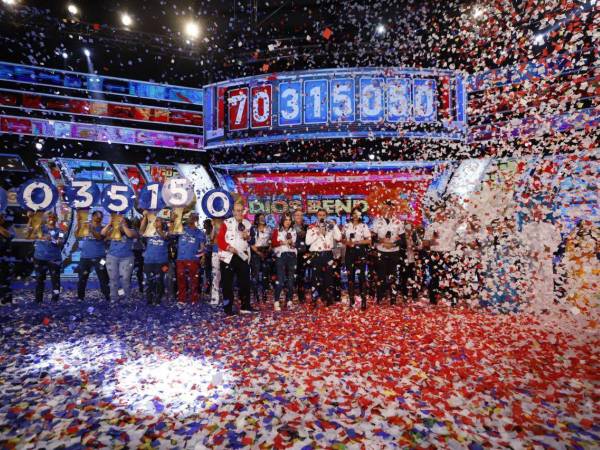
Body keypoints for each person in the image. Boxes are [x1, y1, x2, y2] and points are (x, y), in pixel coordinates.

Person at [217, 202, 253, 315]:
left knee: (245, 282)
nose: (239, 212)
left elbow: (253, 241)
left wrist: (248, 237)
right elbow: (220, 240)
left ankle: (245, 306)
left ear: (243, 211)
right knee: (227, 283)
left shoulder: (248, 224)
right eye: (237, 210)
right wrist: (228, 247)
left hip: (242, 256)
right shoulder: (226, 223)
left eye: (241, 210)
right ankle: (228, 309)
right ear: (233, 212)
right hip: (228, 256)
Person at [422, 207, 459, 305]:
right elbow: (424, 243)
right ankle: (433, 299)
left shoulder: (451, 224)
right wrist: (431, 241)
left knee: (450, 277)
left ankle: (452, 300)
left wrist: (456, 205)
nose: (441, 215)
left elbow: (463, 217)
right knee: (435, 278)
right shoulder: (431, 226)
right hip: (436, 254)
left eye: (443, 212)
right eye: (439, 213)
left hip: (449, 254)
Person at [306, 208, 342, 307]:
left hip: (328, 254)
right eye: (319, 215)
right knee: (315, 277)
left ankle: (328, 298)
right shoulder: (312, 226)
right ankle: (315, 298)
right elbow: (307, 242)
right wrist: (318, 233)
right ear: (317, 216)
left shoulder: (331, 225)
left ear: (326, 216)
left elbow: (339, 238)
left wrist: (334, 226)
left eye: (323, 215)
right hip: (316, 254)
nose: (321, 217)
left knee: (328, 277)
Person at [371, 202, 405, 305]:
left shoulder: (398, 222)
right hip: (381, 251)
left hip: (394, 252)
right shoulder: (377, 222)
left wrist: (393, 244)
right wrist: (382, 241)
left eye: (388, 208)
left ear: (392, 210)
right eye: (384, 208)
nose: (386, 210)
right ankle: (380, 296)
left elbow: (403, 240)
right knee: (381, 275)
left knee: (393, 275)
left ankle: (393, 298)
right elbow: (373, 237)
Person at [28, 211, 64, 303]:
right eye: (49, 217)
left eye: (53, 217)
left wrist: (52, 239)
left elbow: (60, 243)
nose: (51, 218)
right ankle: (38, 300)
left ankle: (55, 301)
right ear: (46, 218)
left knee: (55, 281)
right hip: (39, 258)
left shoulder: (60, 231)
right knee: (39, 280)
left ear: (56, 219)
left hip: (54, 259)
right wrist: (31, 219)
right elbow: (30, 236)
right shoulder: (40, 228)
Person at [76, 210, 110, 302]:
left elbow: (99, 237)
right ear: (92, 216)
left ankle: (107, 297)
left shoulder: (104, 228)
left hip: (101, 258)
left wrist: (91, 229)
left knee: (103, 277)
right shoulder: (85, 227)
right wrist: (79, 223)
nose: (99, 217)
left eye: (101, 216)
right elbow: (77, 234)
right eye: (97, 216)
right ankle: (80, 297)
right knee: (82, 278)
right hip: (85, 257)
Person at [102, 216, 138, 303]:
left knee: (125, 278)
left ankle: (127, 298)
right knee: (113, 279)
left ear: (127, 224)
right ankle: (114, 298)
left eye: (123, 222)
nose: (120, 223)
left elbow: (130, 235)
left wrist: (123, 225)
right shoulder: (113, 231)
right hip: (112, 257)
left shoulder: (132, 231)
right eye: (119, 222)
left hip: (127, 258)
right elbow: (103, 233)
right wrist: (110, 223)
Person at [342, 207, 371, 309]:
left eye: (358, 214)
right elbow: (342, 239)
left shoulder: (364, 226)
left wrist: (357, 242)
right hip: (349, 253)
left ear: (361, 215)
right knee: (350, 277)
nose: (355, 215)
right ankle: (351, 300)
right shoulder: (346, 226)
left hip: (361, 252)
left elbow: (368, 241)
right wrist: (348, 242)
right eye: (354, 213)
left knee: (362, 276)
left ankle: (363, 301)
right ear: (351, 214)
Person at [140, 212, 171, 305]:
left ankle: (158, 299)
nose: (155, 222)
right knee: (148, 281)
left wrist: (157, 229)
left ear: (162, 223)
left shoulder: (167, 233)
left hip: (162, 262)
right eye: (155, 221)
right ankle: (149, 299)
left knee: (160, 281)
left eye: (158, 221)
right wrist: (145, 217)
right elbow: (141, 231)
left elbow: (165, 237)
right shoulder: (149, 233)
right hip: (148, 261)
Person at [176, 212, 206, 303]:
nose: (191, 219)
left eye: (194, 217)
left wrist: (202, 256)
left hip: (193, 259)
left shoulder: (199, 233)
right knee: (181, 280)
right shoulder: (182, 229)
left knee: (194, 281)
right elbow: (172, 231)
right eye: (190, 217)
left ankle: (194, 298)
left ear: (196, 219)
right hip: (181, 259)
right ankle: (182, 299)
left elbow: (202, 247)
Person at [271, 212, 297, 311]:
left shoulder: (293, 230)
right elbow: (273, 243)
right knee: (280, 280)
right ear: (282, 221)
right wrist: (283, 242)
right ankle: (276, 301)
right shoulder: (277, 230)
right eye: (286, 220)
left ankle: (289, 300)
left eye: (289, 220)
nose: (288, 222)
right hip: (281, 255)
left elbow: (296, 244)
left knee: (291, 280)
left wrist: (292, 244)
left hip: (292, 255)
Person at [249, 213, 272, 303]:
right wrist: (258, 253)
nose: (262, 219)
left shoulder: (269, 228)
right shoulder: (253, 229)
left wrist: (269, 249)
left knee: (265, 275)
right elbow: (251, 243)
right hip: (256, 252)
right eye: (261, 218)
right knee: (256, 275)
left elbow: (271, 240)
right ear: (257, 219)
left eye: (264, 218)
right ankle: (256, 295)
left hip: (266, 252)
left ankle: (264, 294)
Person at [293, 208, 308, 302]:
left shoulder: (306, 226)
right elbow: (301, 235)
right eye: (297, 215)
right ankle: (291, 295)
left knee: (302, 275)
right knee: (293, 275)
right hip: (293, 253)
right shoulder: (290, 227)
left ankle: (301, 295)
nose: (299, 216)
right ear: (294, 217)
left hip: (304, 253)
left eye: (301, 215)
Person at [0, 212, 15, 304]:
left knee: (5, 280)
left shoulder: (9, 227)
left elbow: (9, 235)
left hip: (5, 259)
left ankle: (7, 300)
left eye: (1, 217)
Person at [210, 218, 223, 306]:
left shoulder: (226, 222)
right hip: (215, 252)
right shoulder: (213, 223)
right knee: (215, 275)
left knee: (226, 276)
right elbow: (211, 238)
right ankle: (215, 298)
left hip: (226, 252)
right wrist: (214, 226)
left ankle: (226, 298)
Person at [203, 218, 213, 295]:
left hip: (213, 254)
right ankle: (208, 287)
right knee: (207, 272)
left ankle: (213, 286)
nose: (203, 225)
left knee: (213, 272)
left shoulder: (213, 232)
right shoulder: (204, 233)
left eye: (205, 224)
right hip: (206, 255)